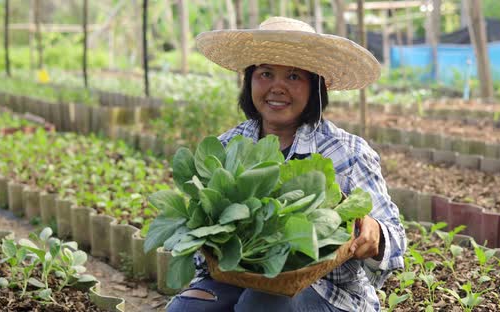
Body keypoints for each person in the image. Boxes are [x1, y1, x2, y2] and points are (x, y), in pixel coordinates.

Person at [166, 16, 407, 312]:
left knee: (259, 305)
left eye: (293, 77)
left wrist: (376, 233)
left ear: (315, 88)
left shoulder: (347, 151)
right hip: (238, 279)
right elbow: (201, 251)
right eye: (266, 73)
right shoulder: (229, 145)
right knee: (187, 308)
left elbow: (397, 240)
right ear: (249, 81)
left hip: (327, 291)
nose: (277, 87)